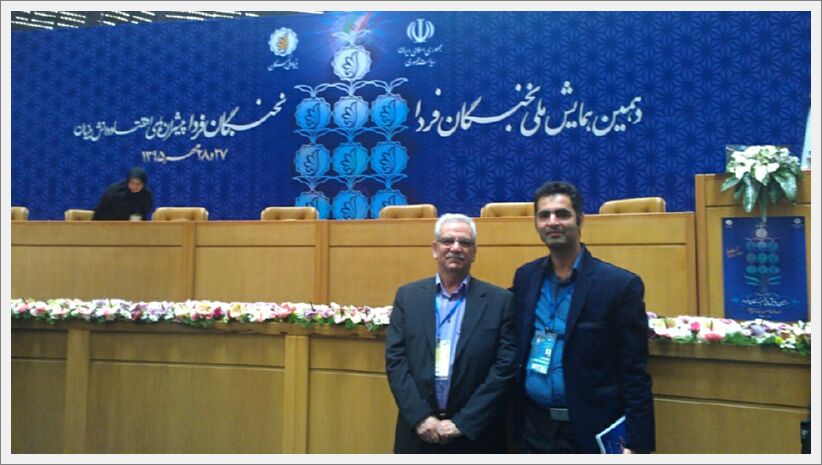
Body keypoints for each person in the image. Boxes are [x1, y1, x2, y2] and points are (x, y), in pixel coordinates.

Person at [511, 181, 655, 454]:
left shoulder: (618, 286)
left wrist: (638, 443)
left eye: (562, 214)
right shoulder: (525, 278)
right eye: (544, 215)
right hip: (533, 427)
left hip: (588, 430)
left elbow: (634, 371)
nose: (553, 222)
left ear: (580, 219)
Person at [385, 213, 516, 453]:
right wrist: (421, 417)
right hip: (417, 433)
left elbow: (504, 368)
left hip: (477, 435)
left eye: (464, 242)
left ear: (473, 252)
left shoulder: (500, 301)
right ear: (435, 249)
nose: (455, 247)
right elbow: (396, 361)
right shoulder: (408, 297)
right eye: (447, 241)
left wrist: (464, 423)